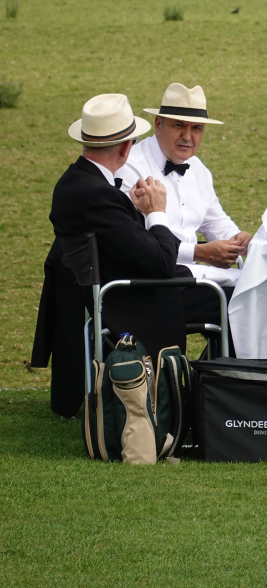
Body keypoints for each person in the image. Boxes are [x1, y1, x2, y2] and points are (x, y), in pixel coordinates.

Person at [32, 93, 185, 415]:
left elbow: (116, 238)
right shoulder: (95, 194)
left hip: (111, 290)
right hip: (130, 299)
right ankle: (228, 396)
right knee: (229, 298)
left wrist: (130, 208)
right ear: (127, 147)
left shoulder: (76, 182)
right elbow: (160, 264)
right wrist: (157, 212)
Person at [119, 82, 252, 335]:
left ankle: (230, 371)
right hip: (153, 286)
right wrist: (200, 252)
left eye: (196, 128)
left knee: (265, 293)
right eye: (179, 125)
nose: (187, 136)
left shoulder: (198, 168)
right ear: (158, 124)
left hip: (193, 279)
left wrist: (236, 240)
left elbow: (214, 221)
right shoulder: (131, 168)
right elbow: (141, 247)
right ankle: (229, 372)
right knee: (248, 302)